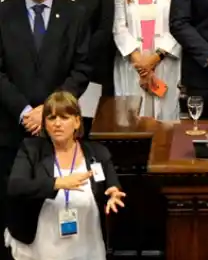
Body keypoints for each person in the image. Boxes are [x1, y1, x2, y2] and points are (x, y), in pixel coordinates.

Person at [0, 0, 91, 257]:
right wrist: (26, 111)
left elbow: (82, 69)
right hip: (13, 128)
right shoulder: (3, 14)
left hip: (61, 131)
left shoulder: (75, 14)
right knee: (19, 216)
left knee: (62, 212)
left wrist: (48, 112)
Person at [4, 91, 125, 260]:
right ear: (45, 123)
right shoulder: (32, 150)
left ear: (77, 122)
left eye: (64, 117)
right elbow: (15, 186)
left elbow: (110, 183)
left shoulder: (96, 152)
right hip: (42, 245)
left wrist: (113, 193)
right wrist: (57, 183)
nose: (57, 124)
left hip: (86, 244)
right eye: (52, 118)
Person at [47, 0, 114, 128]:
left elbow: (104, 29)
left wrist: (78, 57)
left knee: (86, 130)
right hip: (50, 73)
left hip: (90, 73)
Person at [112, 0, 182, 120]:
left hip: (165, 62)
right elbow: (119, 27)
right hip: (133, 65)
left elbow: (180, 24)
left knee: (166, 122)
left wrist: (155, 58)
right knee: (132, 120)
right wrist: (139, 60)